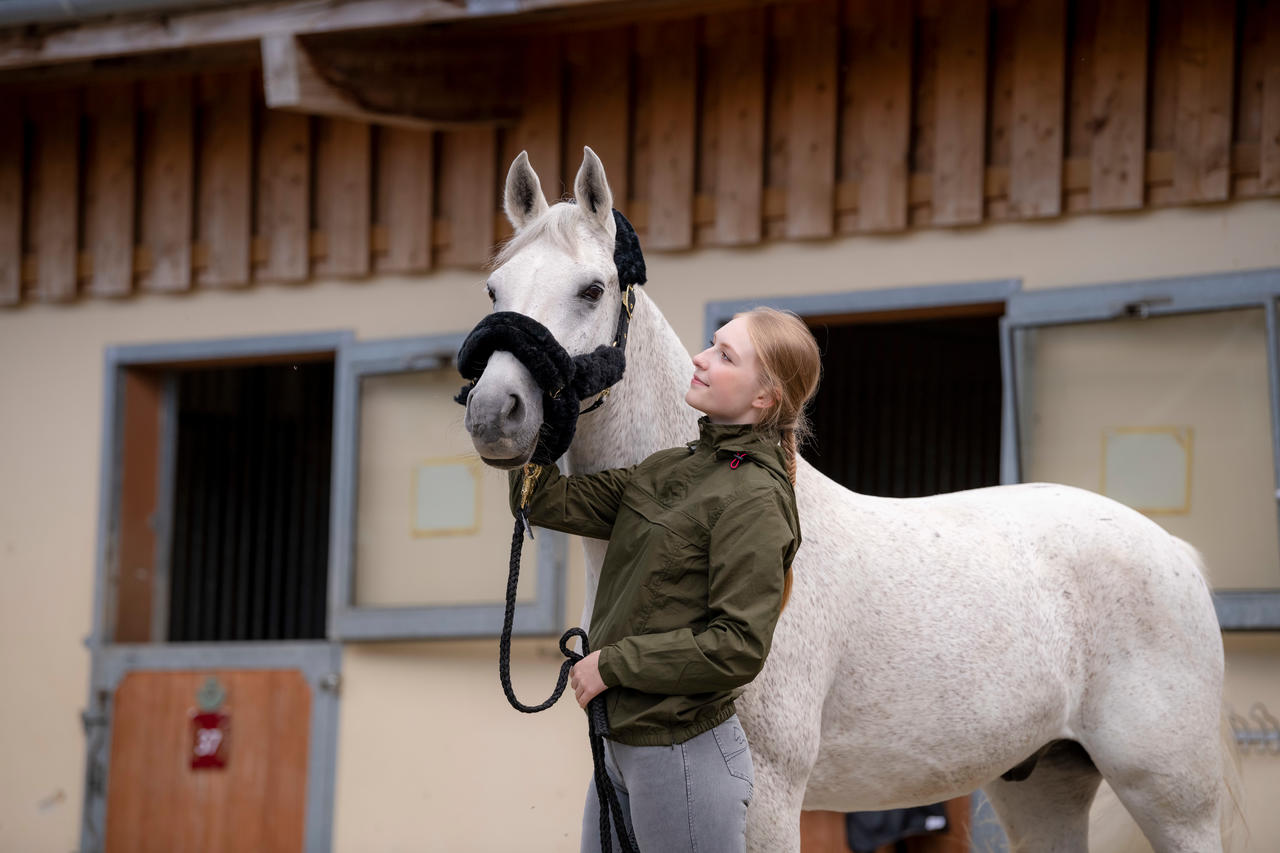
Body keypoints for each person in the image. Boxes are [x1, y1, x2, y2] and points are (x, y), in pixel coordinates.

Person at [508, 306, 821, 853]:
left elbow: (737, 648)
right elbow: (542, 499)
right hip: (618, 745)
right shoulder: (670, 468)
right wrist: (541, 403)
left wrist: (612, 663)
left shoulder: (755, 499)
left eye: (725, 356)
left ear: (764, 397)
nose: (700, 358)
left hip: (683, 753)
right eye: (712, 344)